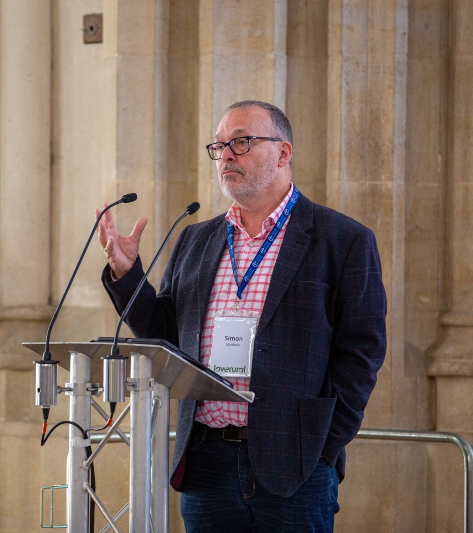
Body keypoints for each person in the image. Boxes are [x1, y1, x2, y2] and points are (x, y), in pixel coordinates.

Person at [96, 100, 387, 532]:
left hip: (294, 463)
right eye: (219, 146)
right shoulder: (197, 238)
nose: (226, 155)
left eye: (241, 142)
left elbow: (361, 354)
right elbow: (164, 334)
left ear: (283, 153)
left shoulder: (342, 240)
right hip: (206, 462)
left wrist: (322, 445)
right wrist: (127, 274)